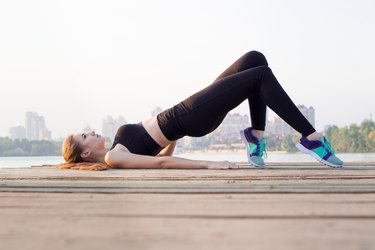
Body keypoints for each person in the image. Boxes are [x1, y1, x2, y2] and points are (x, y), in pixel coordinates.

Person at [60, 50, 344, 171]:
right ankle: (310, 137)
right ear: (85, 152)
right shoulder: (113, 156)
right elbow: (162, 164)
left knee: (254, 59)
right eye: (86, 136)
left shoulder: (118, 148)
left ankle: (256, 135)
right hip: (189, 115)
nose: (92, 132)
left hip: (185, 113)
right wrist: (209, 164)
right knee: (260, 75)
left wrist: (168, 135)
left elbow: (159, 152)